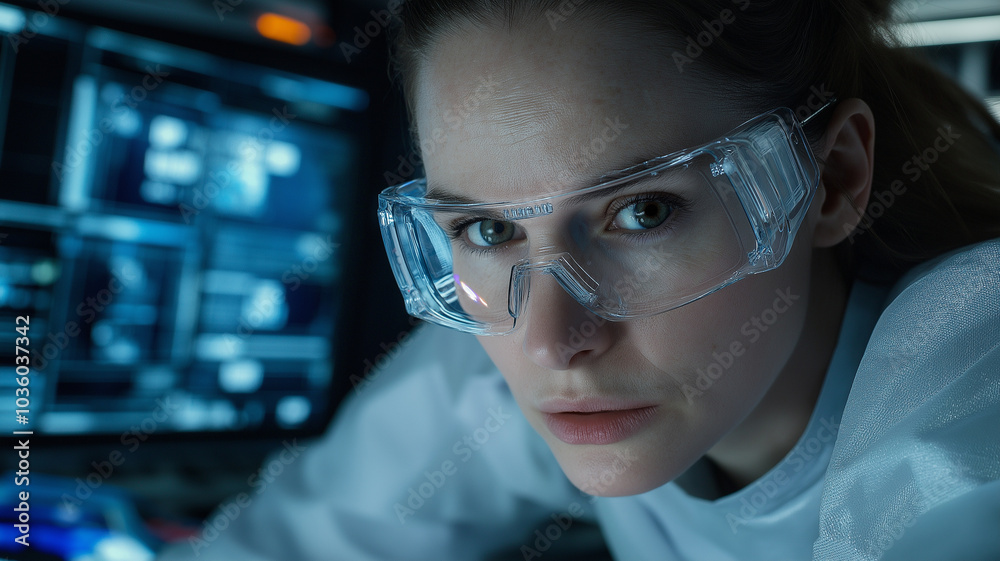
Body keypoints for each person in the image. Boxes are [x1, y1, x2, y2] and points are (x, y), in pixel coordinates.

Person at [158, 1, 1000, 559]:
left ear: (835, 179)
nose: (551, 338)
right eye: (487, 229)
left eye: (643, 213)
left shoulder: (970, 369)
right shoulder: (519, 347)